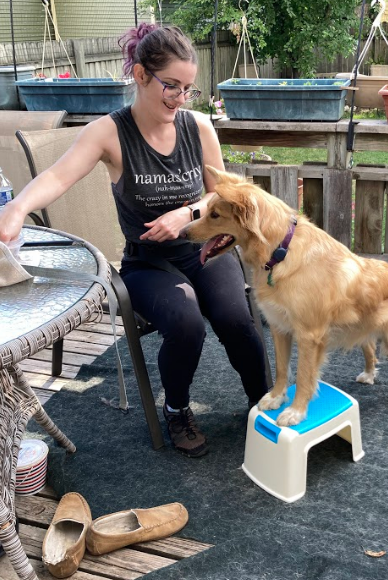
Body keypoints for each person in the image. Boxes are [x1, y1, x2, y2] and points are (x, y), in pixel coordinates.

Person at [0, 23, 268, 457]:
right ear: (141, 75)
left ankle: (264, 402)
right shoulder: (110, 132)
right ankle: (177, 409)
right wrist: (17, 208)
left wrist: (187, 213)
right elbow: (57, 175)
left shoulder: (198, 127)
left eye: (188, 89)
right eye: (171, 86)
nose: (180, 98)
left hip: (204, 248)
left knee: (235, 319)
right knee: (186, 323)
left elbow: (223, 193)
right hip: (148, 264)